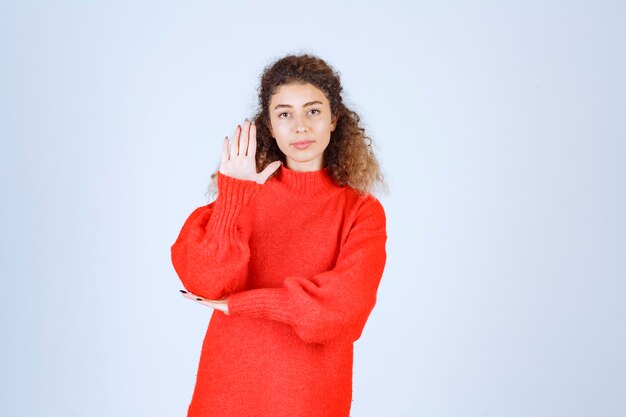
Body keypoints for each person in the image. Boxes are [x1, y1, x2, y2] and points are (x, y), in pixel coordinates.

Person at [170, 53, 388, 417]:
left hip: (310, 397)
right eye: (285, 113)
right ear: (269, 126)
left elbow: (342, 312)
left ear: (334, 119)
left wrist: (244, 304)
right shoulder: (243, 195)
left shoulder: (360, 211)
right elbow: (205, 281)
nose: (300, 126)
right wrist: (232, 197)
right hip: (227, 390)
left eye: (313, 111)